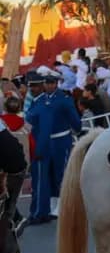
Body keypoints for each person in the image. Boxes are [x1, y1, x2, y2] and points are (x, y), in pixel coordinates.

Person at [26, 69, 82, 225]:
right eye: (47, 83)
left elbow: (74, 119)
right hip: (44, 142)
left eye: (52, 83)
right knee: (46, 174)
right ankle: (49, 206)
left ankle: (61, 205)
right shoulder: (39, 100)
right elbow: (31, 117)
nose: (49, 86)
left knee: (60, 173)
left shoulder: (64, 99)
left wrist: (77, 129)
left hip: (60, 140)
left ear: (57, 83)